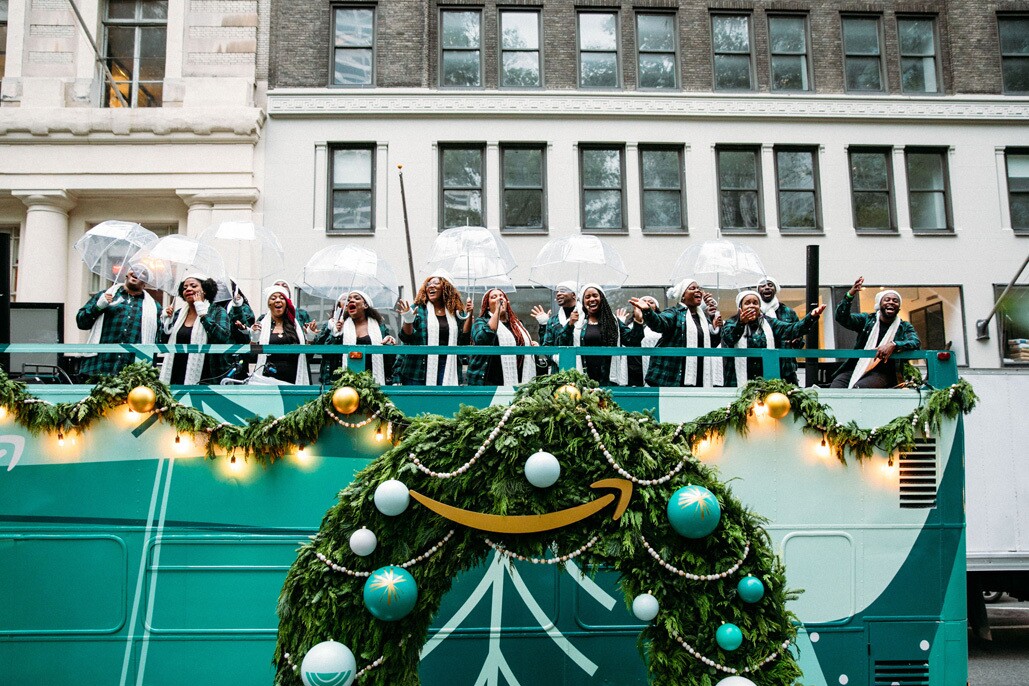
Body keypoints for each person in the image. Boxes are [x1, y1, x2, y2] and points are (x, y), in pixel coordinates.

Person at [629, 278, 724, 387]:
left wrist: (716, 329)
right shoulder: (674, 313)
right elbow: (659, 324)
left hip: (698, 376)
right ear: (683, 296)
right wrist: (647, 310)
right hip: (672, 376)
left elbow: (709, 346)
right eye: (692, 288)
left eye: (699, 288)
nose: (698, 290)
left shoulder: (703, 319)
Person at [721, 290, 826, 387]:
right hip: (737, 382)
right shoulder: (731, 323)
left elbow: (792, 329)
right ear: (740, 308)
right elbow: (729, 338)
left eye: (755, 303)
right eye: (747, 303)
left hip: (765, 382)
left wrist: (811, 317)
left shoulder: (770, 323)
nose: (752, 306)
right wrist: (741, 323)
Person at [829, 278, 921, 388]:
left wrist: (894, 344)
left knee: (859, 389)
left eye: (895, 301)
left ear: (898, 308)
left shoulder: (904, 326)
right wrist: (850, 295)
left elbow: (915, 342)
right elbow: (842, 317)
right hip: (857, 367)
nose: (891, 302)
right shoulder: (867, 320)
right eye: (887, 300)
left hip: (883, 373)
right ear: (880, 305)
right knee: (836, 387)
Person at [76, 265, 161, 380]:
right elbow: (81, 323)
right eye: (135, 269)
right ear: (127, 274)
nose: (138, 273)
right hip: (99, 367)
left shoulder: (154, 307)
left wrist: (166, 320)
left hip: (134, 372)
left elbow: (161, 338)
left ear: (145, 283)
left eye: (143, 274)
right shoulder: (105, 296)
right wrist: (98, 307)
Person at [555, 284, 643, 385]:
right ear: (583, 302)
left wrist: (638, 320)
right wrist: (570, 324)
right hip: (583, 379)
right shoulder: (577, 321)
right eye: (587, 297)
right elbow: (561, 342)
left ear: (602, 298)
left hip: (608, 379)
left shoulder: (613, 321)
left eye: (595, 295)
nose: (592, 299)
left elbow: (632, 340)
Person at [394, 271, 472, 386]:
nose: (431, 286)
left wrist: (469, 315)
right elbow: (406, 338)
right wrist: (408, 320)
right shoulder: (417, 309)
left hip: (448, 366)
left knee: (443, 402)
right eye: (428, 284)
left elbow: (463, 340)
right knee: (419, 403)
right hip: (418, 367)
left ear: (446, 287)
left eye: (436, 283)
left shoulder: (456, 312)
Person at [159, 275, 233, 384]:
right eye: (185, 288)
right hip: (176, 374)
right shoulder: (179, 314)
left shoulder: (217, 311)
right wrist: (166, 321)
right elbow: (162, 341)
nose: (188, 289)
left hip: (206, 376)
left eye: (193, 286)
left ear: (205, 290)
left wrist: (203, 315)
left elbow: (222, 337)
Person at [315, 291, 396, 384]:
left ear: (365, 305)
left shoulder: (379, 327)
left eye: (356, 298)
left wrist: (389, 343)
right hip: (343, 382)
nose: (351, 301)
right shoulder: (340, 325)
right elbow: (326, 353)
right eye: (348, 300)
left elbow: (389, 357)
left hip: (372, 382)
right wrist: (335, 334)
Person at [467, 288, 537, 386]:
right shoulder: (481, 322)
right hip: (488, 381)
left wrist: (532, 345)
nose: (499, 299)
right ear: (487, 305)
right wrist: (497, 312)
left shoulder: (517, 325)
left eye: (501, 296)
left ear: (507, 302)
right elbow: (482, 340)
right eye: (493, 297)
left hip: (517, 380)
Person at [250, 285, 313, 384]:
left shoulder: (295, 327)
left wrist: (310, 338)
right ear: (268, 304)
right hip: (267, 380)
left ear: (286, 303)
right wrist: (254, 339)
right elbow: (253, 356)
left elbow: (307, 356)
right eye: (273, 298)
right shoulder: (261, 326)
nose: (278, 300)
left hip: (292, 378)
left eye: (282, 298)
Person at [757, 277, 803, 384]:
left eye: (770, 285)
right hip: (760, 367)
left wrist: (797, 340)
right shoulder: (755, 313)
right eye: (763, 285)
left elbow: (799, 337)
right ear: (758, 290)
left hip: (787, 368)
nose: (767, 287)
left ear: (775, 289)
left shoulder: (788, 312)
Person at [531, 281, 577, 373]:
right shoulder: (553, 321)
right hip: (557, 372)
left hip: (581, 370)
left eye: (563, 291)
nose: (558, 294)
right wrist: (544, 324)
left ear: (574, 295)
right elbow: (546, 346)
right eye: (557, 292)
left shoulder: (584, 316)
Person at [626, 295, 663, 387]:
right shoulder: (629, 325)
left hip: (655, 367)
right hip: (634, 368)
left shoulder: (662, 326)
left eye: (651, 302)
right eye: (643, 301)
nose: (646, 304)